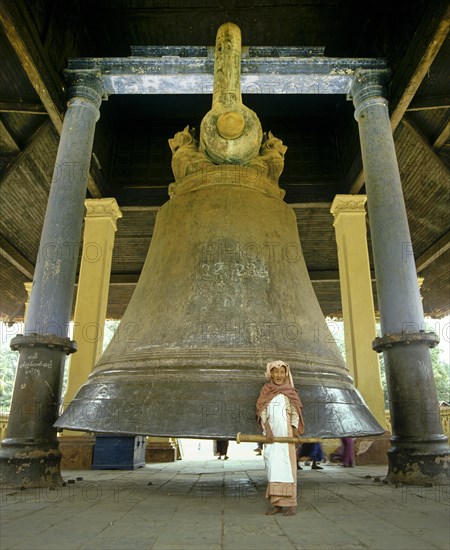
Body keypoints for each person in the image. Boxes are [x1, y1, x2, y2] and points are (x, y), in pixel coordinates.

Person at [256, 360, 304, 517]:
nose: (279, 375)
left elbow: (295, 412)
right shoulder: (266, 390)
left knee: (288, 470)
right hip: (271, 437)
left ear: (286, 374)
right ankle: (276, 504)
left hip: (286, 435)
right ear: (270, 374)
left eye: (282, 372)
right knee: (273, 469)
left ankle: (291, 504)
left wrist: (295, 431)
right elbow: (262, 410)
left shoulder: (290, 392)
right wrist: (268, 430)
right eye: (275, 372)